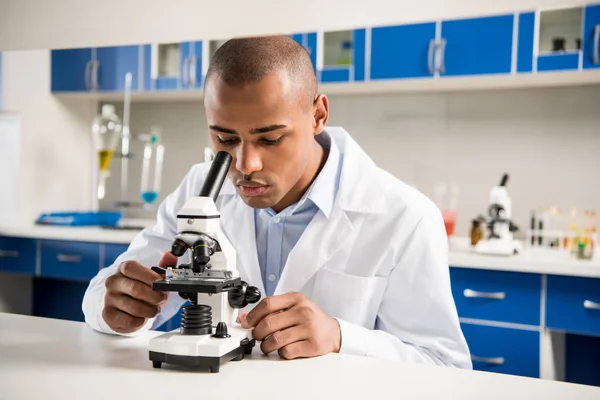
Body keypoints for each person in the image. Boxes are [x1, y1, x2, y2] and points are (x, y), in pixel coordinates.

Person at [82, 35, 471, 368]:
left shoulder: (406, 216)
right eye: (225, 139)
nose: (245, 165)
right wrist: (116, 305)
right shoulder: (200, 189)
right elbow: (108, 290)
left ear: (317, 115)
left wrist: (339, 337)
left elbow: (445, 365)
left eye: (269, 139)